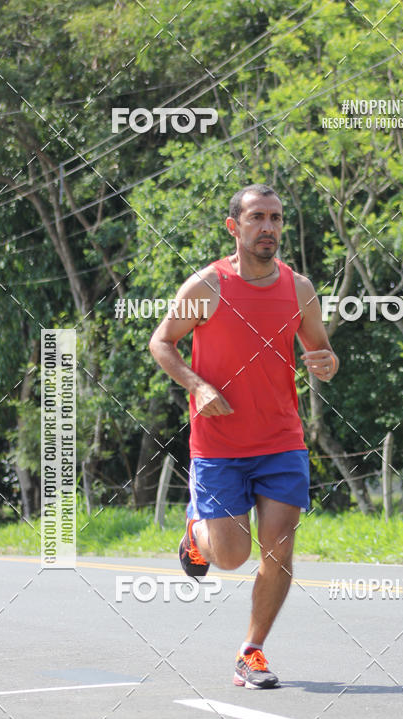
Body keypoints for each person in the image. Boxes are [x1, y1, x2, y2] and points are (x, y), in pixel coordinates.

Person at [149, 183, 338, 689]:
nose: (269, 228)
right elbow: (161, 342)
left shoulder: (299, 289)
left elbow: (320, 351)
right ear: (235, 227)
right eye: (258, 218)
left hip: (281, 439)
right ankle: (197, 531)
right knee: (231, 557)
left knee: (278, 551)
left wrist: (326, 362)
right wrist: (197, 384)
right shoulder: (207, 287)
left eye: (276, 218)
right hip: (220, 445)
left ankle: (251, 652)